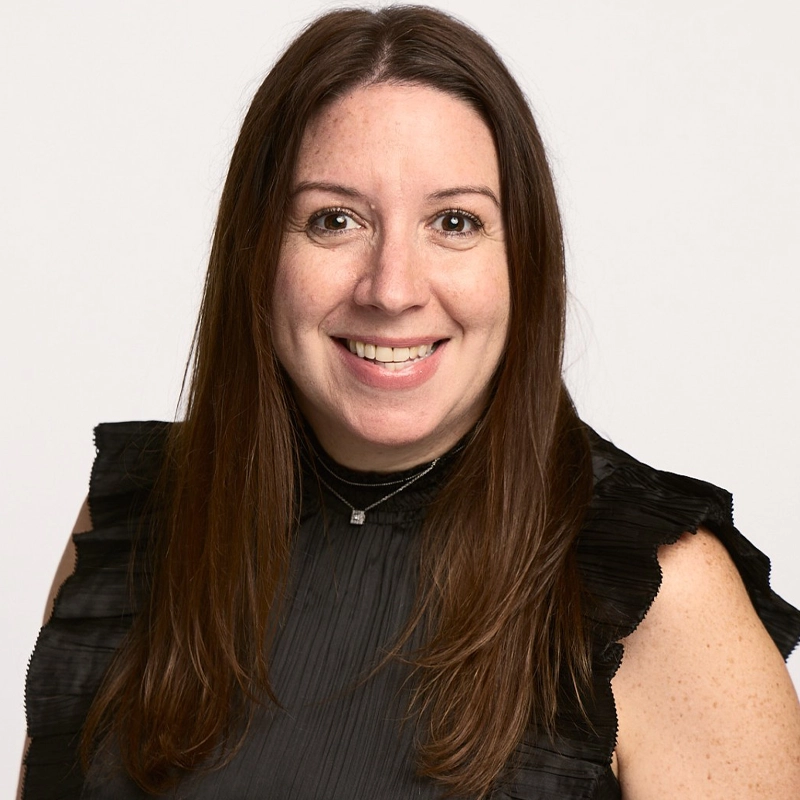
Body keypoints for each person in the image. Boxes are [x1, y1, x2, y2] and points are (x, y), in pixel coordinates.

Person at [21, 6, 800, 799]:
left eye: (454, 222)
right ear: (258, 254)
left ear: (523, 262)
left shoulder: (662, 592)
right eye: (335, 220)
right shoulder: (132, 525)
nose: (391, 289)